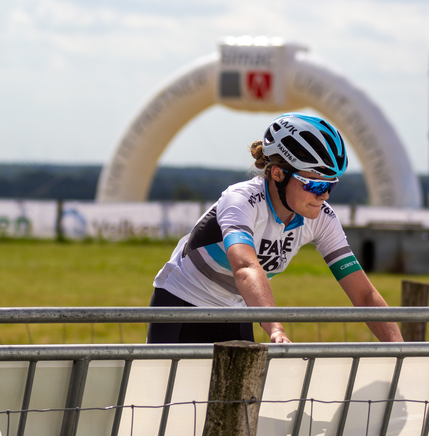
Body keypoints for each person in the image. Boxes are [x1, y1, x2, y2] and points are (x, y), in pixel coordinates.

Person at [147, 113, 403, 344]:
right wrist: (276, 329)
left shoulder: (321, 217)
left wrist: (399, 351)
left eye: (331, 186)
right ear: (279, 174)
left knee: (237, 397)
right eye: (315, 185)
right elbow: (246, 268)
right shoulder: (241, 200)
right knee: (167, 395)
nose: (324, 195)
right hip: (181, 301)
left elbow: (364, 295)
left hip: (235, 308)